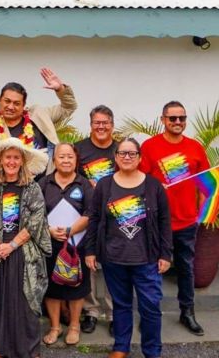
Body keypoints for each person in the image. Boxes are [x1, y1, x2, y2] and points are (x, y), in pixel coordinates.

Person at [85, 138, 173, 358]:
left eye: (132, 153)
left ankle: (152, 351)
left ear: (139, 158)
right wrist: (90, 250)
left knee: (150, 307)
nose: (126, 157)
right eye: (122, 153)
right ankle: (121, 347)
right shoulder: (105, 185)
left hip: (147, 259)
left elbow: (164, 221)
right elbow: (94, 218)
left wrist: (165, 254)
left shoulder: (153, 186)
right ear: (115, 157)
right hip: (114, 258)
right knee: (121, 305)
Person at [0, 137, 51, 358]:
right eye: (8, 157)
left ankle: (28, 349)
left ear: (23, 161)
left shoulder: (32, 188)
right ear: (0, 160)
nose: (11, 161)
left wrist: (11, 245)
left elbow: (36, 221)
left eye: (16, 157)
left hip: (22, 252)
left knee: (24, 301)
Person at [139, 101, 209, 337]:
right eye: (172, 118)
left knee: (186, 268)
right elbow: (141, 181)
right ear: (163, 120)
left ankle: (187, 312)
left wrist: (202, 214)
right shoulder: (149, 147)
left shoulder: (196, 147)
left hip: (187, 221)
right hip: (157, 223)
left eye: (181, 118)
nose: (177, 122)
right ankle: (150, 314)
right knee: (151, 269)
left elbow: (205, 184)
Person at [39, 143, 93, 347]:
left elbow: (91, 213)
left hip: (77, 245)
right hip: (50, 244)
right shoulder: (44, 183)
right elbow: (34, 213)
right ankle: (55, 326)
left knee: (77, 286)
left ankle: (74, 326)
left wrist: (71, 230)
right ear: (54, 160)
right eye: (61, 157)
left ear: (76, 160)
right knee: (52, 288)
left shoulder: (84, 184)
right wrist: (49, 230)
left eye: (70, 156)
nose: (66, 160)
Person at [0, 68, 77, 174]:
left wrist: (60, 89)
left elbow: (69, 107)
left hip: (45, 184)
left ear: (23, 105)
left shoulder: (39, 115)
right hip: (8, 186)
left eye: (16, 103)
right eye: (7, 101)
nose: (11, 106)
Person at [74, 105, 118, 336]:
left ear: (112, 125)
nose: (101, 127)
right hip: (88, 216)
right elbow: (71, 177)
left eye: (105, 123)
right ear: (91, 125)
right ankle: (90, 311)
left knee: (112, 265)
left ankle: (112, 313)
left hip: (116, 216)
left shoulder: (121, 150)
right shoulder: (79, 149)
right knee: (88, 264)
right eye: (96, 123)